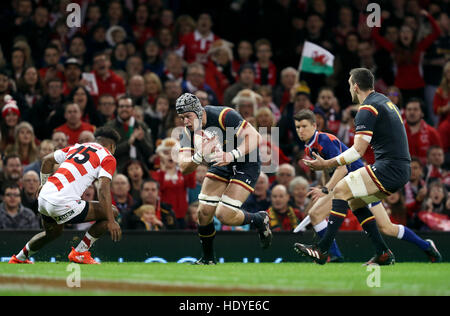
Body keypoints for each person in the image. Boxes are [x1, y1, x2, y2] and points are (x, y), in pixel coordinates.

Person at [296, 68, 441, 265]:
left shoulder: (366, 109)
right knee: (357, 203)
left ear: (355, 87)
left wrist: (326, 164)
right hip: (398, 168)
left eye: (349, 86)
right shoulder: (385, 101)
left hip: (388, 168)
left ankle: (322, 250)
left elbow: (357, 151)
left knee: (340, 190)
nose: (349, 90)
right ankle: (386, 252)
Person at [177, 93, 272, 264]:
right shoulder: (187, 132)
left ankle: (259, 218)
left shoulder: (224, 115)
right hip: (222, 162)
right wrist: (199, 155)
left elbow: (256, 137)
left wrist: (232, 155)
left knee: (224, 214)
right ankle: (207, 259)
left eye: (187, 116)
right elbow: (184, 167)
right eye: (182, 117)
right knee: (203, 212)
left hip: (245, 161)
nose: (185, 122)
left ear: (198, 111)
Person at [9, 127, 122, 264]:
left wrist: (44, 184)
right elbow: (103, 188)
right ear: (112, 146)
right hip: (61, 203)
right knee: (112, 212)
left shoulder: (78, 147)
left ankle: (18, 258)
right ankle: (80, 252)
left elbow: (47, 160)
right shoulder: (108, 156)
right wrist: (110, 221)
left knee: (52, 234)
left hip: (44, 198)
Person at [404, 98, 442, 165]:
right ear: (405, 112)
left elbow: (439, 157)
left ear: (422, 113)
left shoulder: (432, 133)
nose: (412, 112)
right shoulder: (398, 132)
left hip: (426, 172)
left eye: (415, 109)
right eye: (409, 109)